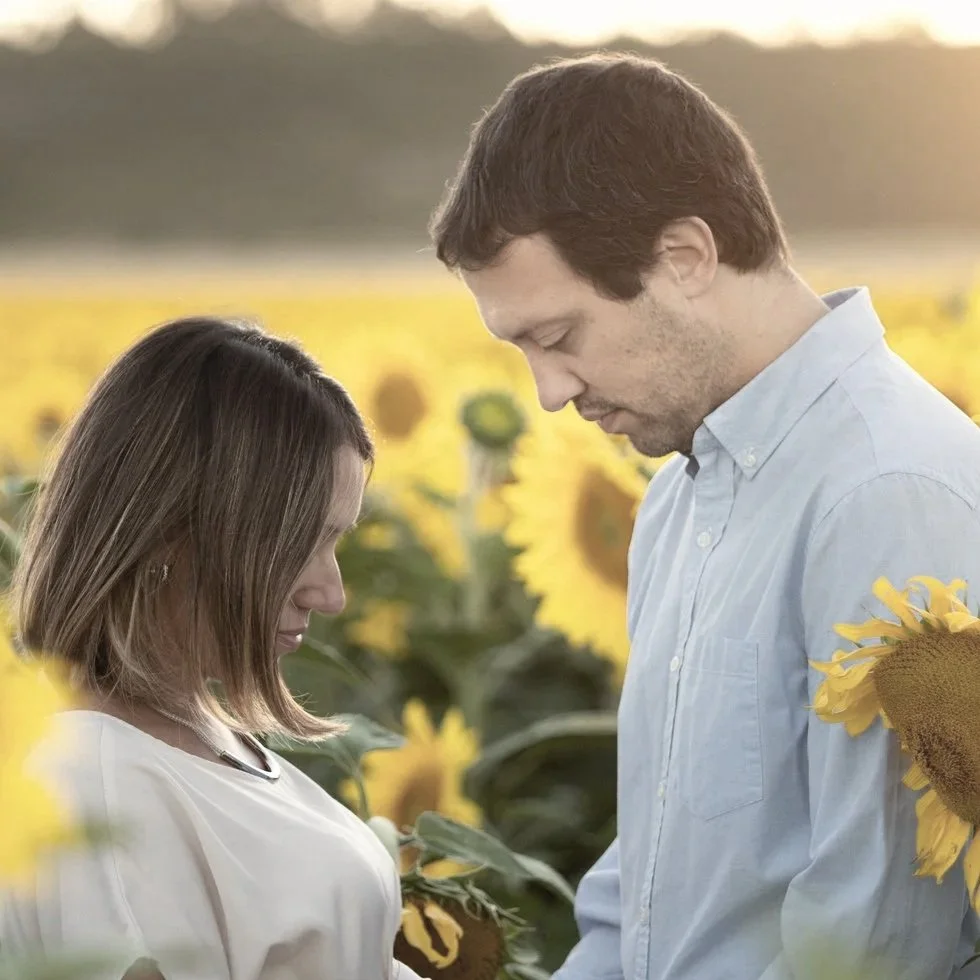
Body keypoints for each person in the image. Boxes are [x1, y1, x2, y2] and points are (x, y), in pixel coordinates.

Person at [429, 51, 980, 979]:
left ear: (684, 257)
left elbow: (878, 937)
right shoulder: (679, 495)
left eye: (560, 338)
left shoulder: (885, 493)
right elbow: (650, 891)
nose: (550, 392)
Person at [0, 317, 429, 980]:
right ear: (172, 537)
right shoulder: (98, 782)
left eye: (336, 542)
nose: (331, 593)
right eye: (301, 544)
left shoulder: (192, 729)